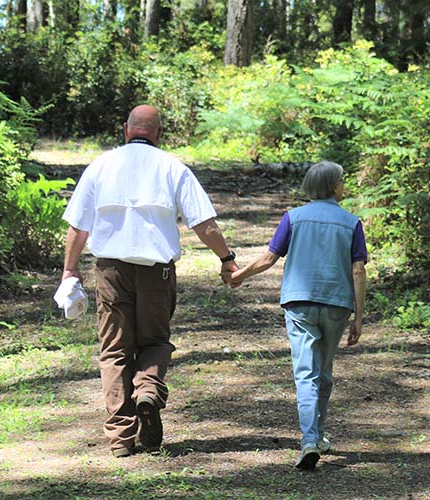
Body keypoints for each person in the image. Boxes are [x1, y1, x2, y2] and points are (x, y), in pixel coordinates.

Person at [61, 105, 239, 458]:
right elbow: (204, 224)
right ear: (158, 133)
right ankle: (147, 392)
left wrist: (70, 270)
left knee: (114, 350)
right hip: (157, 272)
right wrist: (227, 259)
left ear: (126, 129)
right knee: (155, 341)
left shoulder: (101, 166)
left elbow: (77, 227)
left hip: (111, 270)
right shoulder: (173, 168)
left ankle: (121, 438)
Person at [229, 160, 367, 470]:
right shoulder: (351, 222)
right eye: (342, 180)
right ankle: (315, 436)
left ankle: (309, 439)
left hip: (300, 303)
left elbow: (269, 258)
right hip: (336, 304)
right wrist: (359, 316)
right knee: (324, 371)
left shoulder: (294, 218)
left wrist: (240, 275)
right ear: (333, 186)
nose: (344, 185)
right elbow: (358, 270)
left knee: (306, 373)